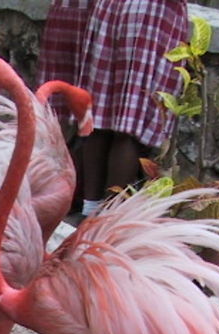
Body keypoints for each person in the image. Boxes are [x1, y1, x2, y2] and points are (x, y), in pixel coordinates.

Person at [74, 0, 189, 218]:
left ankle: (89, 211)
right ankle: (109, 218)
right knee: (129, 124)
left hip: (110, 8)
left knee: (99, 115)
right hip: (152, 14)